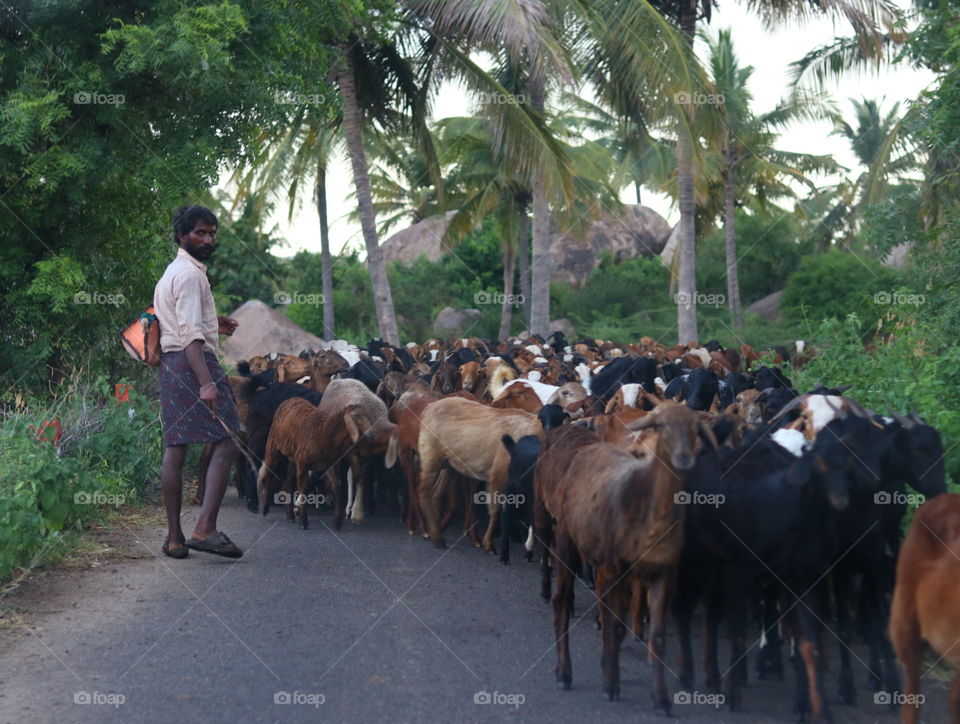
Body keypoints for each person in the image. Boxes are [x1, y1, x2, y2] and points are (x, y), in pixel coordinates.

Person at [153, 204, 243, 559]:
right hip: (193, 364)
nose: (208, 240)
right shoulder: (191, 276)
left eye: (212, 233)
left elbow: (179, 322)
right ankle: (204, 528)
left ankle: (175, 539)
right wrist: (207, 382)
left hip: (172, 366)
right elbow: (190, 335)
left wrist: (212, 321)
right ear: (182, 235)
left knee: (176, 447)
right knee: (229, 437)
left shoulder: (173, 272)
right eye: (200, 233)